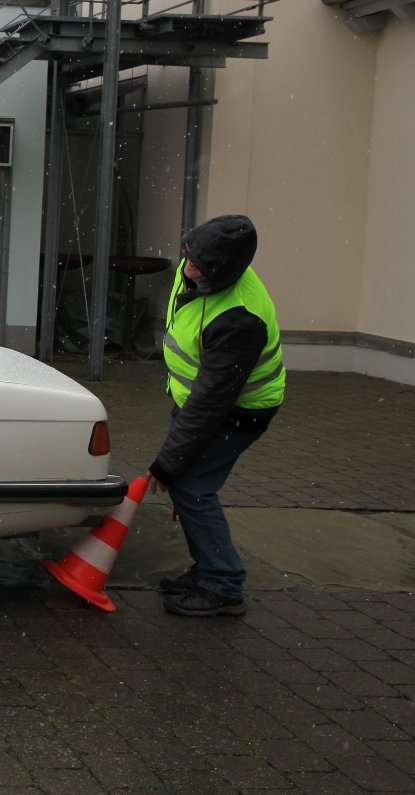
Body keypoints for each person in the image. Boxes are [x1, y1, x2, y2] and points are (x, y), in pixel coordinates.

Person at [149, 214, 284, 617]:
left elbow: (211, 403)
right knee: (185, 484)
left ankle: (223, 585)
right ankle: (209, 569)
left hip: (239, 413)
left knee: (192, 487)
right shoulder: (200, 266)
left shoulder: (240, 319)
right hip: (200, 404)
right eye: (189, 257)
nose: (188, 270)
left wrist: (166, 464)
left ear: (225, 271)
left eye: (201, 267)